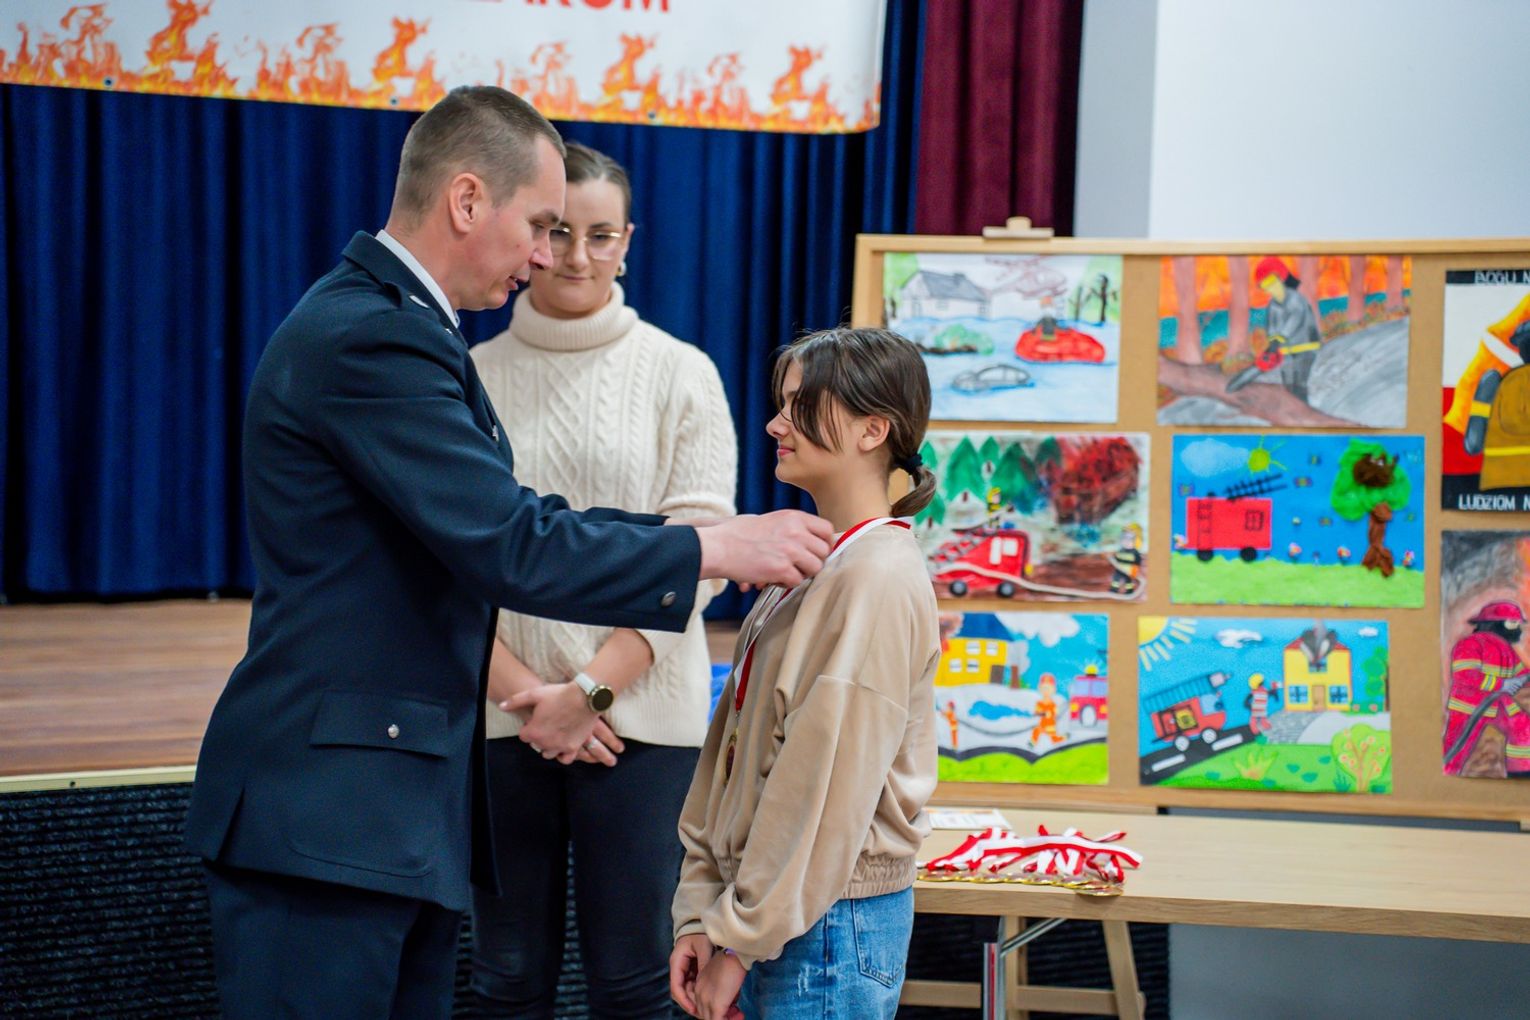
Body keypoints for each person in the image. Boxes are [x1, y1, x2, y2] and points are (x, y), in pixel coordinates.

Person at [182, 86, 832, 1020]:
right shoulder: (374, 335)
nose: (545, 253)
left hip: (381, 809)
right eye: (538, 224)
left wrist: (684, 557)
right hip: (332, 817)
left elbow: (506, 531)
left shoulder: (404, 324)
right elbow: (509, 542)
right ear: (466, 200)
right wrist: (712, 545)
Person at [465, 142, 737, 1017]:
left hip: (643, 722)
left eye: (601, 235)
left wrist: (589, 693)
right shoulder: (468, 376)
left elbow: (702, 558)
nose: (577, 256)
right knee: (506, 977)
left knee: (634, 979)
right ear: (529, 235)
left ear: (629, 241)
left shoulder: (682, 372)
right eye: (556, 232)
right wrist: (529, 698)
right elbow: (444, 558)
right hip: (501, 714)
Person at [668, 327, 940, 1020]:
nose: (775, 424)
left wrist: (738, 941)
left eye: (800, 406)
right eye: (781, 404)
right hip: (773, 917)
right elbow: (731, 762)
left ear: (873, 430)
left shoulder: (876, 576)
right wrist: (702, 912)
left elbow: (820, 794)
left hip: (824, 928)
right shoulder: (811, 566)